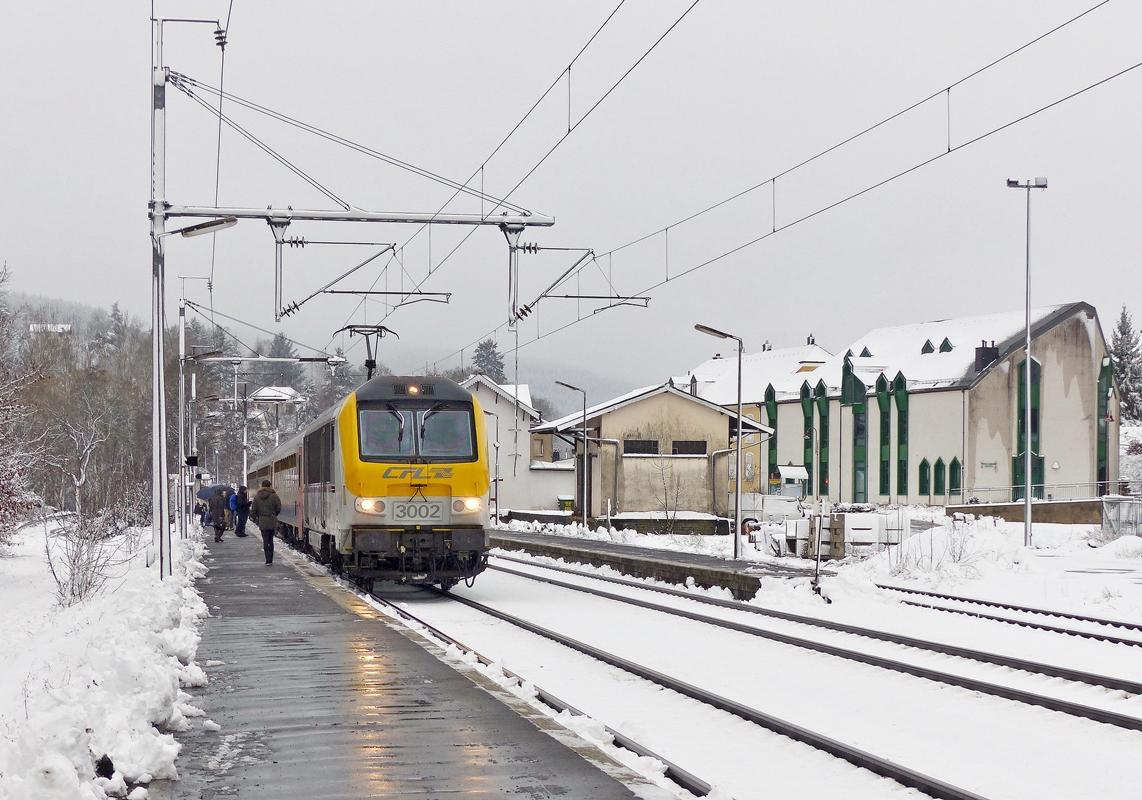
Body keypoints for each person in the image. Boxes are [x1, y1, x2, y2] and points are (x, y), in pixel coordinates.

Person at [250, 479, 281, 565]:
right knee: (271, 540)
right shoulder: (274, 496)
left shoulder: (257, 497)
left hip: (262, 520)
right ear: (269, 486)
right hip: (271, 519)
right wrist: (274, 514)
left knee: (265, 540)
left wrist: (258, 517)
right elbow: (278, 507)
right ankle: (270, 559)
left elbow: (254, 510)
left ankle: (267, 559)